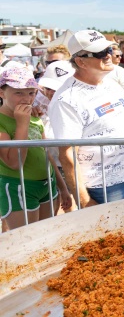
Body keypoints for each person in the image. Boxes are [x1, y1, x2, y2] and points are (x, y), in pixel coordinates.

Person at [49, 30, 124, 207]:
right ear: (80, 61)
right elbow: (67, 154)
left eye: (109, 50)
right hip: (101, 186)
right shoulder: (67, 100)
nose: (108, 56)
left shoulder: (113, 84)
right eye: (100, 53)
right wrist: (84, 200)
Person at [0, 67, 72, 230]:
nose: (27, 99)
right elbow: (14, 163)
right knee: (27, 240)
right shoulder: (6, 120)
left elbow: (46, 153)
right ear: (2, 93)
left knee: (46, 234)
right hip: (19, 187)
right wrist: (22, 123)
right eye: (19, 93)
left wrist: (62, 188)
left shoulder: (34, 117)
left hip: (48, 184)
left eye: (31, 93)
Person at [107, 45, 124, 114]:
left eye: (120, 55)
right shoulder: (102, 69)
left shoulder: (122, 68)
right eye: (117, 56)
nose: (119, 57)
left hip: (121, 100)